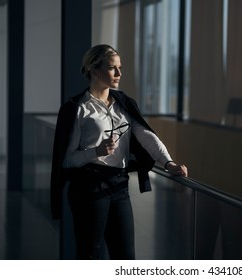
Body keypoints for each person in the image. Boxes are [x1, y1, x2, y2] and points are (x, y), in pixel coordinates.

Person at [50, 44, 188, 260]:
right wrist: (96, 151)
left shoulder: (124, 103)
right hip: (88, 188)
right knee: (89, 256)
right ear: (94, 70)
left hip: (119, 186)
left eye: (120, 67)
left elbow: (146, 135)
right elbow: (66, 160)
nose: (119, 73)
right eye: (113, 68)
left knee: (125, 257)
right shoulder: (78, 107)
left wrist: (168, 163)